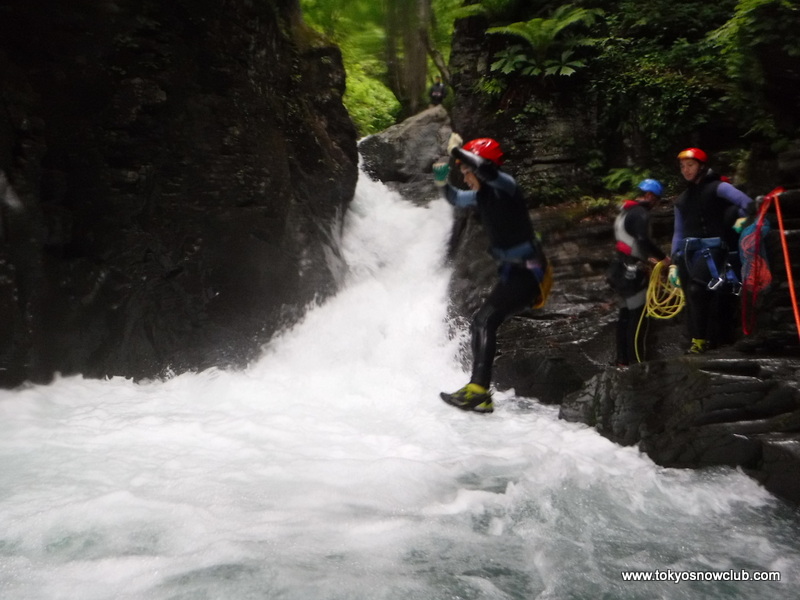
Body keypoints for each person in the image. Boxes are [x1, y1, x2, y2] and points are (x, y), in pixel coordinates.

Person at [432, 134, 548, 413]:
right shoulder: (481, 195)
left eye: (467, 171)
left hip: (529, 273)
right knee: (482, 322)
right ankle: (480, 393)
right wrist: (441, 181)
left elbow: (485, 169)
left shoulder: (506, 186)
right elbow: (454, 197)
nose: (465, 177)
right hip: (515, 273)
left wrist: (457, 151)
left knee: (484, 322)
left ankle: (479, 390)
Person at [668, 147, 754, 354]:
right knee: (691, 295)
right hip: (687, 252)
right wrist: (673, 262)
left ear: (701, 166)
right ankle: (701, 338)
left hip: (713, 248)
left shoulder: (719, 188)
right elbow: (678, 232)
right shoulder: (682, 200)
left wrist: (741, 220)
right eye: (683, 167)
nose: (686, 170)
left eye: (690, 165)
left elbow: (748, 204)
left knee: (697, 290)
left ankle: (700, 341)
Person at [607, 179, 667, 366]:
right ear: (650, 196)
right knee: (638, 317)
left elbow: (628, 243)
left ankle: (622, 360)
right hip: (632, 273)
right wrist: (662, 257)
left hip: (619, 269)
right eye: (656, 199)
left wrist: (646, 258)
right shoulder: (640, 213)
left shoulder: (625, 212)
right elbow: (642, 239)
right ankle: (636, 362)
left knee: (624, 316)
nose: (655, 204)